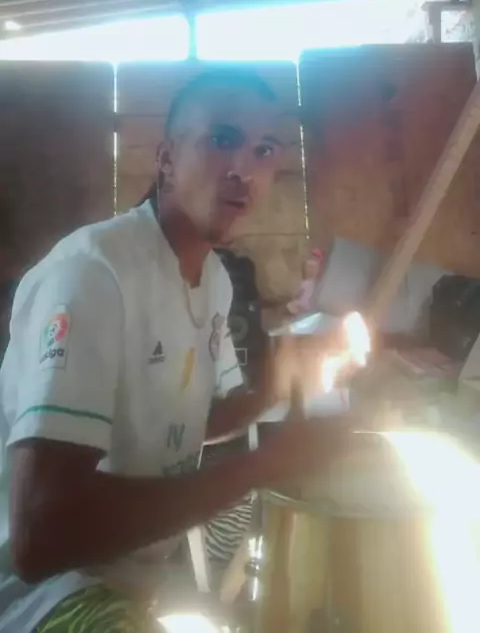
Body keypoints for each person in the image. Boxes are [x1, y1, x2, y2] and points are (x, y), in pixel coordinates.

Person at [0, 68, 352, 632]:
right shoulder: (94, 274)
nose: (244, 170)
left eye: (264, 150)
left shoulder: (213, 280)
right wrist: (264, 466)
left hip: (136, 573)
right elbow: (41, 539)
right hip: (44, 596)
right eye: (222, 139)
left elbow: (183, 422)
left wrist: (274, 386)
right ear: (166, 158)